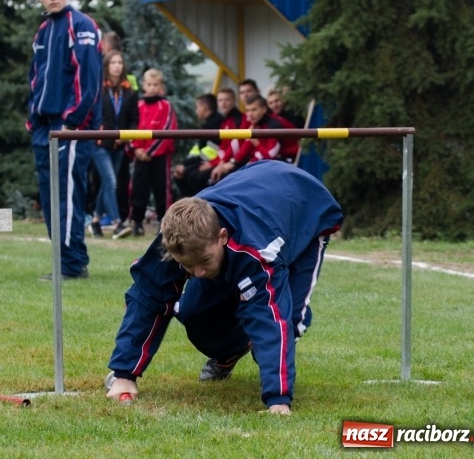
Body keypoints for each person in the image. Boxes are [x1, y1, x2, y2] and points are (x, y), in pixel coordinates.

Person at [105, 160, 344, 414]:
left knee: (287, 320)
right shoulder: (174, 241)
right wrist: (124, 375)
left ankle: (280, 335)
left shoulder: (257, 251)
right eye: (188, 265)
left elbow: (269, 319)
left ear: (221, 236)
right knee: (193, 311)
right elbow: (148, 297)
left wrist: (278, 400)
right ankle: (229, 354)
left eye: (204, 261)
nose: (197, 273)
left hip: (306, 208)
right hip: (254, 193)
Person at [27, 0, 102, 280]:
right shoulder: (44, 30)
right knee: (49, 196)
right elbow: (36, 78)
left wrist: (73, 121)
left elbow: (89, 81)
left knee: (66, 195)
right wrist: (33, 118)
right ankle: (66, 259)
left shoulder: (81, 25)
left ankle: (71, 265)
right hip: (44, 126)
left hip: (69, 126)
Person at [90, 49, 138, 240]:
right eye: (113, 63)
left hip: (119, 145)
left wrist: (127, 135)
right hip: (100, 143)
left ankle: (95, 220)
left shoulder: (130, 92)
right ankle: (117, 223)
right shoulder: (98, 89)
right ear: (106, 66)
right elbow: (92, 115)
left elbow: (135, 118)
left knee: (107, 184)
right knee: (111, 181)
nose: (117, 66)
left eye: (120, 62)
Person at [127, 68, 177, 236]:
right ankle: (137, 222)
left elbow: (168, 130)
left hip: (160, 157)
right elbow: (132, 127)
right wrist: (137, 149)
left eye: (156, 84)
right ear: (143, 85)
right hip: (140, 155)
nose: (152, 87)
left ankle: (164, 223)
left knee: (162, 190)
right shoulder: (138, 105)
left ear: (161, 86)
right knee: (138, 189)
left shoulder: (166, 106)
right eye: (149, 84)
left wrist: (150, 151)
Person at [172, 93, 224, 197]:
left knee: (190, 175)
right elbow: (199, 148)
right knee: (180, 174)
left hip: (212, 161)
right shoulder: (208, 123)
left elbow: (211, 151)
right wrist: (185, 163)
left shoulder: (214, 123)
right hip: (205, 160)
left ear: (204, 108)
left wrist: (186, 166)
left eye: (197, 107)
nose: (196, 111)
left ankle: (195, 206)